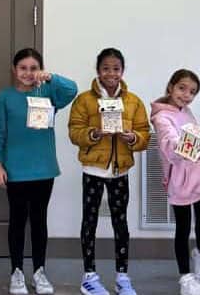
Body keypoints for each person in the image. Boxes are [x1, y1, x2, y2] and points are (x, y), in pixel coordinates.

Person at [0, 48, 78, 295]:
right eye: (23, 68)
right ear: (14, 70)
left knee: (39, 222)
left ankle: (40, 270)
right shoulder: (5, 97)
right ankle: (16, 272)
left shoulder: (48, 92)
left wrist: (51, 78)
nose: (28, 73)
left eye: (33, 68)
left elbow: (72, 90)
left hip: (44, 169)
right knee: (17, 222)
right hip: (15, 170)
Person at [67, 48, 150, 295]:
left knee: (120, 223)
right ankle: (89, 276)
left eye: (115, 68)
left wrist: (132, 137)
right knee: (89, 221)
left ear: (122, 71)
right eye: (105, 68)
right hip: (93, 169)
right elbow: (74, 132)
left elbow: (145, 134)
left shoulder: (133, 101)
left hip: (120, 171)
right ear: (98, 71)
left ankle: (122, 276)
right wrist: (94, 133)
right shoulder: (84, 100)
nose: (111, 73)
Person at [149, 69, 200, 295]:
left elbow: (194, 140)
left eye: (193, 92)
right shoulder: (161, 117)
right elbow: (171, 148)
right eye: (182, 88)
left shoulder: (186, 111)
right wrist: (189, 144)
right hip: (181, 182)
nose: (187, 95)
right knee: (183, 228)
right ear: (170, 86)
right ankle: (186, 279)